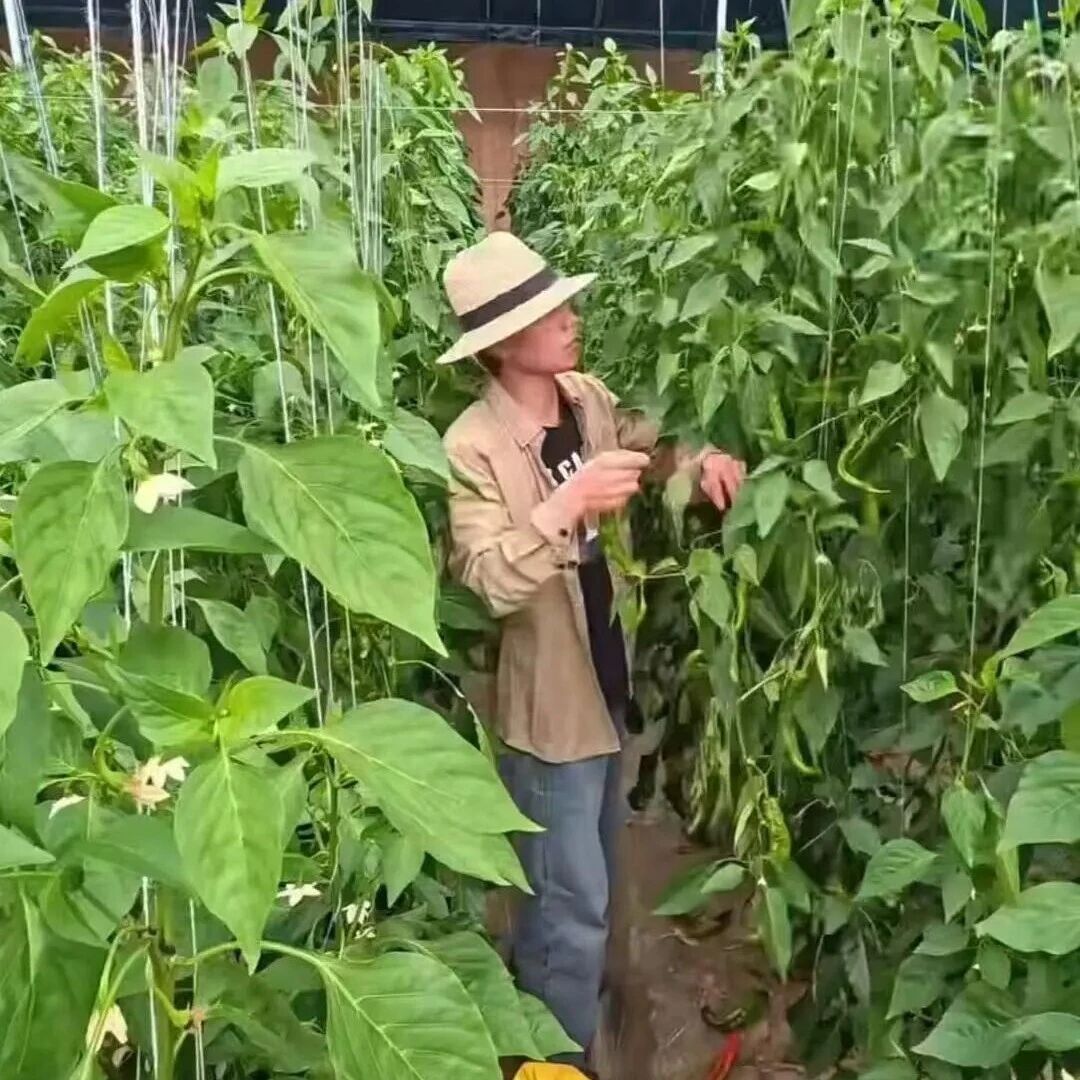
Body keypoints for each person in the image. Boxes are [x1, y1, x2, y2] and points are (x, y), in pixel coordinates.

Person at [438, 232, 745, 1074]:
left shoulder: (586, 400)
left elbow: (650, 447)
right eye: (551, 313)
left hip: (608, 688)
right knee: (566, 914)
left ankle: (573, 1039)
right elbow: (488, 579)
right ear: (504, 344)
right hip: (552, 718)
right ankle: (554, 1064)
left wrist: (700, 464)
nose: (572, 318)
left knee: (595, 891)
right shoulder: (473, 446)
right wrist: (564, 506)